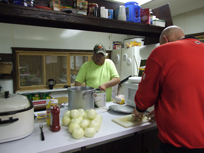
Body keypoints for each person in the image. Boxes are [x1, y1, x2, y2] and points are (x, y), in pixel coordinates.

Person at [132, 25, 204, 153]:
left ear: (165, 40)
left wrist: (139, 109)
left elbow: (145, 96)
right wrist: (161, 110)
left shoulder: (163, 50)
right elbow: (189, 92)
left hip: (181, 144)